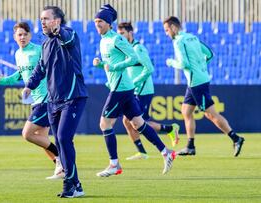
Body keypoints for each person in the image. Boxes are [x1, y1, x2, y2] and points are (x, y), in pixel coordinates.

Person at [92, 4, 176, 178]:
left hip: (120, 89)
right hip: (124, 88)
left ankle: (114, 164)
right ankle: (166, 152)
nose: (97, 24)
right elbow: (111, 67)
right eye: (95, 21)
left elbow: (134, 58)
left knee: (104, 124)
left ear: (108, 23)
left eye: (100, 21)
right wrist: (101, 65)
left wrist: (114, 66)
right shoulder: (103, 40)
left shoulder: (117, 39)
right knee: (138, 124)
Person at [23, 6, 88, 198]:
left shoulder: (69, 34)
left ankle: (69, 184)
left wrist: (59, 31)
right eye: (41, 19)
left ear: (57, 21)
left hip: (73, 96)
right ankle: (77, 185)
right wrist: (29, 86)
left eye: (46, 18)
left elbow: (66, 38)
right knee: (62, 143)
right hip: (53, 100)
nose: (42, 21)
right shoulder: (45, 43)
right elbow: (40, 69)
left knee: (63, 138)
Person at [0, 22, 64, 180]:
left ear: (30, 35)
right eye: (19, 34)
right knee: (40, 137)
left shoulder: (38, 50)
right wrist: (1, 80)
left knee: (27, 134)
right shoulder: (18, 54)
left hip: (46, 98)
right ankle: (60, 167)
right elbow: (19, 75)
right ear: (14, 37)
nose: (22, 37)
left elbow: (50, 68)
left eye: (25, 34)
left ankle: (62, 157)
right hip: (35, 100)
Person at [163, 16, 245, 157]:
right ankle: (190, 146)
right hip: (198, 80)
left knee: (211, 114)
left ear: (173, 27)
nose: (166, 33)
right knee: (186, 111)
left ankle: (236, 138)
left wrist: (171, 62)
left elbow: (184, 64)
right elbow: (210, 54)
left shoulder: (178, 41)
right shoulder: (192, 37)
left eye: (167, 30)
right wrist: (201, 68)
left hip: (196, 83)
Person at [117, 22, 180, 161]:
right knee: (127, 121)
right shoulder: (126, 49)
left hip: (143, 90)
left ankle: (169, 129)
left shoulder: (138, 48)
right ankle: (142, 152)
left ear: (130, 33)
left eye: (122, 34)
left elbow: (149, 69)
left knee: (138, 121)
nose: (120, 37)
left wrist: (134, 82)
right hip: (133, 91)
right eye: (119, 34)